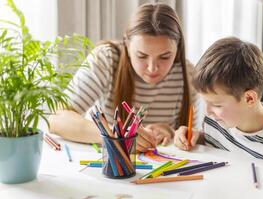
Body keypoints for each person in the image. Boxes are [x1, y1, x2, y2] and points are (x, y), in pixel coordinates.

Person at [49, 3, 200, 152]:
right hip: (109, 163)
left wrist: (171, 132)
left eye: (165, 57)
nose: (152, 68)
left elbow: (190, 136)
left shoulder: (187, 73)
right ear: (126, 44)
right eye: (141, 56)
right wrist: (117, 135)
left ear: (178, 47)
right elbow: (56, 120)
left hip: (160, 167)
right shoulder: (106, 59)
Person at [174, 37, 263, 165]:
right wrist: (195, 137)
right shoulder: (215, 120)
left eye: (217, 105)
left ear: (249, 98)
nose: (207, 111)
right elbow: (216, 146)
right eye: (205, 102)